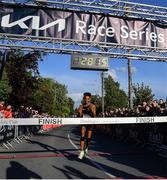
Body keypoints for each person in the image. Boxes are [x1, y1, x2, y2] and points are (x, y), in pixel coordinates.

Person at [77, 92, 96, 159]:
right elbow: (79, 116)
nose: (86, 100)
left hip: (90, 123)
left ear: (90, 99)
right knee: (82, 135)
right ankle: (81, 151)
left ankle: (86, 147)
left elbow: (94, 116)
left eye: (88, 99)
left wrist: (92, 111)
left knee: (88, 138)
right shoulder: (81, 106)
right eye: (85, 98)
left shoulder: (92, 106)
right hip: (84, 122)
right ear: (83, 99)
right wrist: (79, 112)